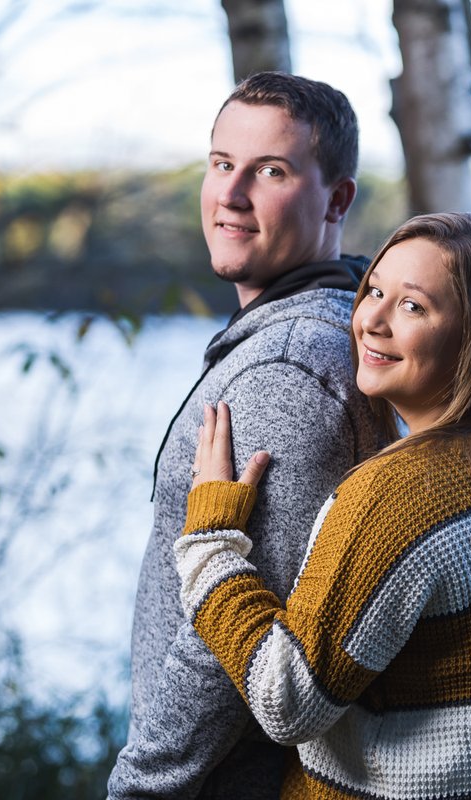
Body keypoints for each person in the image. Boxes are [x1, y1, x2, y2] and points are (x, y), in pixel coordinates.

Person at [176, 212, 471, 799]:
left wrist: (212, 544)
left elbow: (286, 699)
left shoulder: (398, 497)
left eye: (413, 307)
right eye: (373, 290)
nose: (370, 320)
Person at [107, 73, 381, 799]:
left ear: (337, 199)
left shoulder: (291, 370)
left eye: (271, 171)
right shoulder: (321, 334)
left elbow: (233, 637)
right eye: (222, 163)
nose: (230, 194)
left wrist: (142, 784)